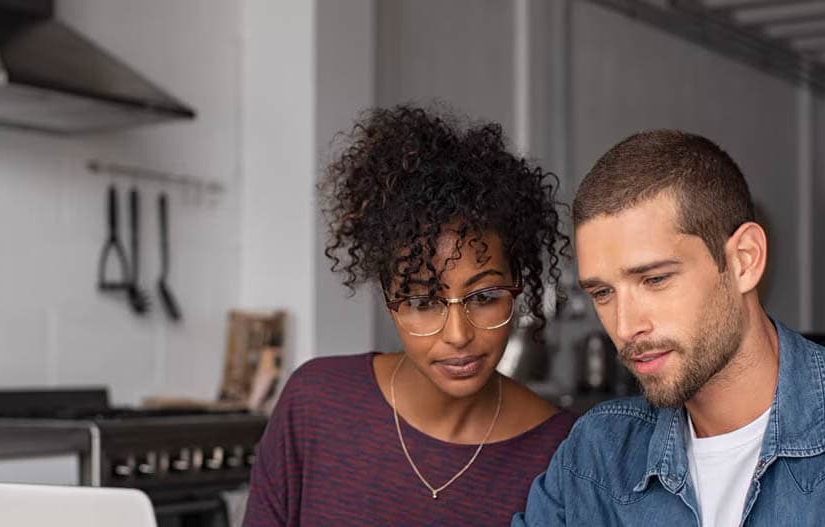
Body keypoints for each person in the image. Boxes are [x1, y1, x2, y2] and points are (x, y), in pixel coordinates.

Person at [515, 130, 825, 526]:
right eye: (602, 293)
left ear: (744, 261)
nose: (624, 325)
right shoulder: (597, 453)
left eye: (655, 279)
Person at [244, 105, 577, 526]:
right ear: (388, 298)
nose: (458, 335)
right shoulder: (315, 404)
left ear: (518, 288)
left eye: (485, 296)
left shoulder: (565, 452)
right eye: (423, 302)